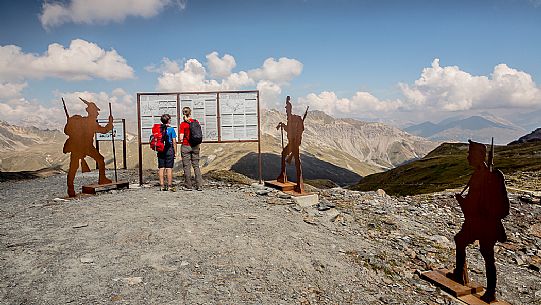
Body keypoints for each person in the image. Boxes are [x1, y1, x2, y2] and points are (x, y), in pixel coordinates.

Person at [450, 140, 507, 303]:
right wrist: (463, 201)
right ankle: (459, 274)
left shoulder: (493, 176)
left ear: (478, 156)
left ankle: (491, 292)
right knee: (460, 240)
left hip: (487, 225)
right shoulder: (477, 174)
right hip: (475, 223)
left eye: (470, 154)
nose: (468, 157)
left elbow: (502, 206)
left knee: (487, 255)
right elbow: (473, 200)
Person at [63, 98, 113, 197]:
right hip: (87, 147)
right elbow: (104, 130)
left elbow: (66, 132)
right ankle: (102, 179)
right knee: (100, 159)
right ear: (92, 112)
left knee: (73, 168)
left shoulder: (78, 120)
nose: (97, 114)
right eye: (96, 112)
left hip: (77, 148)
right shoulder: (91, 122)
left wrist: (69, 122)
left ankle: (71, 189)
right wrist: (110, 123)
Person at [276, 96, 307, 193]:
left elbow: (300, 130)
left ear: (290, 109)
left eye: (287, 108)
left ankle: (299, 183)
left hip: (295, 144)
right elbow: (288, 130)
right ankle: (283, 174)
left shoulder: (296, 118)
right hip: (290, 143)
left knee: (297, 162)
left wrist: (297, 141)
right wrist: (283, 125)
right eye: (285, 109)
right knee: (283, 154)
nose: (286, 110)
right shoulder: (289, 119)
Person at [179, 107, 203, 191]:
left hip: (186, 146)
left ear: (183, 113)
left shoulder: (183, 124)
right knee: (196, 165)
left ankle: (188, 186)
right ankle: (199, 185)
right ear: (190, 113)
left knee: (187, 166)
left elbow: (181, 138)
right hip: (195, 146)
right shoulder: (196, 122)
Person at [157, 114, 177, 191]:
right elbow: (174, 142)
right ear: (168, 120)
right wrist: (175, 152)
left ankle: (162, 186)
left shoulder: (158, 129)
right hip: (169, 150)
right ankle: (169, 186)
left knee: (161, 168)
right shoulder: (171, 129)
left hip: (160, 149)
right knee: (169, 168)